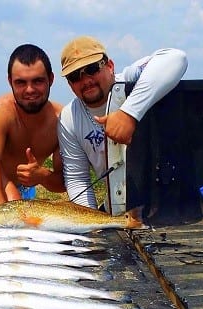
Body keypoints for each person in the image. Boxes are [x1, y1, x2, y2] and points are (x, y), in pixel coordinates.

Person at [58, 36, 188, 220]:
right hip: (116, 212)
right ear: (70, 84)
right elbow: (77, 179)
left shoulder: (131, 79)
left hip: (165, 209)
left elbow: (176, 58)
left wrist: (129, 113)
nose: (85, 80)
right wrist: (93, 224)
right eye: (75, 76)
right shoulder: (69, 117)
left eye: (92, 69)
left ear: (110, 66)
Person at [0, 43, 65, 208]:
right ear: (10, 82)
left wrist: (42, 176)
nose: (29, 89)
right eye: (21, 82)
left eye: (37, 81)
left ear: (51, 79)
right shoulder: (1, 110)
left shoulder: (62, 120)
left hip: (26, 191)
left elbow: (62, 184)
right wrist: (5, 209)